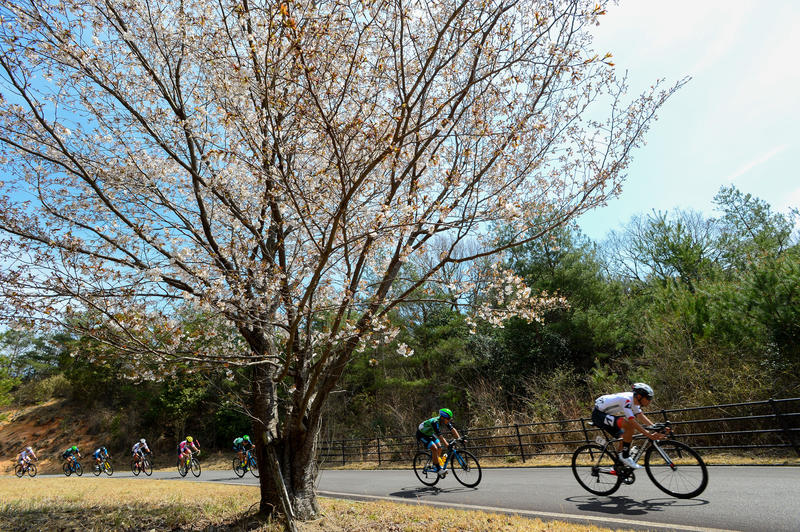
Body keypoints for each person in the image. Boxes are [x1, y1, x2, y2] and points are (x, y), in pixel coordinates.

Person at [592, 383, 667, 469]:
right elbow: (632, 421)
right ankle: (625, 456)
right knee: (629, 426)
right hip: (598, 415)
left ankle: (618, 466)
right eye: (648, 398)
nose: (649, 401)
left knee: (623, 437)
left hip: (606, 414)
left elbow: (640, 415)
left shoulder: (634, 401)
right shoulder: (626, 399)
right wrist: (649, 435)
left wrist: (655, 428)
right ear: (639, 396)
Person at [416, 408, 460, 478]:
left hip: (429, 434)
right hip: (421, 434)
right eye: (448, 419)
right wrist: (447, 445)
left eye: (450, 419)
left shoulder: (445, 420)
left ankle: (435, 464)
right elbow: (440, 436)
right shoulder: (435, 422)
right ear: (442, 417)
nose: (449, 420)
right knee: (434, 448)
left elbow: (452, 429)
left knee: (439, 447)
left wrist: (459, 438)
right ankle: (438, 469)